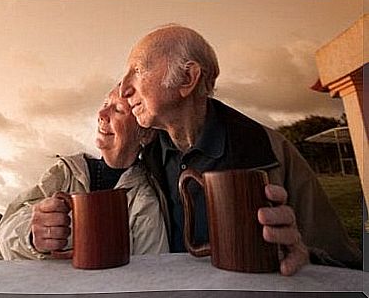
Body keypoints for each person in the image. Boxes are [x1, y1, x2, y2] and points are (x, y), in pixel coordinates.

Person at [119, 24, 362, 276]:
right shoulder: (145, 159)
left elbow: (346, 264)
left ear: (187, 78)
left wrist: (304, 257)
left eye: (137, 70)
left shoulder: (272, 150)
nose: (124, 89)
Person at [0, 86, 169, 259]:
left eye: (118, 110)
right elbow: (1, 238)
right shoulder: (66, 173)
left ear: (145, 135)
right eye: (105, 103)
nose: (102, 114)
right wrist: (31, 236)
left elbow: (150, 272)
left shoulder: (144, 199)